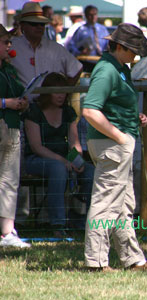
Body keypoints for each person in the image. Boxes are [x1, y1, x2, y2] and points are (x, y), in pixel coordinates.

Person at [81, 23, 147, 272]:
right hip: (111, 144)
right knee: (106, 204)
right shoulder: (107, 70)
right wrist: (121, 137)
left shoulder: (120, 68)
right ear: (119, 46)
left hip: (117, 142)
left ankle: (133, 260)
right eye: (133, 50)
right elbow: (90, 110)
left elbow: (114, 107)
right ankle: (96, 262)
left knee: (123, 205)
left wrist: (135, 118)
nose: (137, 55)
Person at [23, 72, 95, 237]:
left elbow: (74, 143)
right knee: (58, 169)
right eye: (57, 91)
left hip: (64, 159)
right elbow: (36, 147)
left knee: (90, 171)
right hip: (36, 160)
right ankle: (58, 225)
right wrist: (63, 161)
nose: (61, 95)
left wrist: (76, 160)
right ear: (47, 92)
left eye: (63, 91)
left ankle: (87, 222)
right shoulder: (34, 111)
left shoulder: (68, 112)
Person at [0, 24, 30, 248]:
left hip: (11, 129)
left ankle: (7, 232)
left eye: (10, 41)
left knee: (10, 180)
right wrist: (5, 103)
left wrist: (21, 102)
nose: (10, 46)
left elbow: (19, 90)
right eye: (5, 42)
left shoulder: (8, 70)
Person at [11, 2, 83, 93]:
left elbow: (77, 69)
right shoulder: (11, 46)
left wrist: (64, 94)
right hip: (20, 105)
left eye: (42, 24)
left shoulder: (55, 48)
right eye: (33, 23)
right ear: (23, 25)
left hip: (48, 106)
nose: (39, 27)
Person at [68, 5, 109, 72]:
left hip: (101, 62)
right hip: (87, 63)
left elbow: (108, 45)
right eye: (90, 15)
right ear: (86, 16)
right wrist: (79, 52)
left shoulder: (103, 29)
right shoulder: (81, 30)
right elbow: (71, 47)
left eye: (95, 14)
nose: (93, 17)